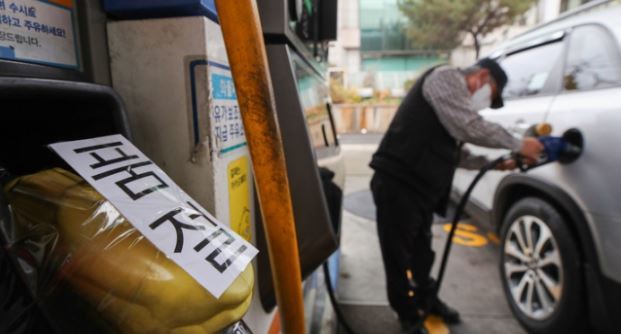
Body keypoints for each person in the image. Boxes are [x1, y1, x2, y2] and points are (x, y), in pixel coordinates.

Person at [369, 58, 543, 334]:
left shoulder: (453, 105)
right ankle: (407, 314)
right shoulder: (446, 77)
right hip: (398, 183)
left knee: (422, 254)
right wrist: (520, 144)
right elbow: (469, 126)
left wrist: (498, 163)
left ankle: (427, 299)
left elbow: (454, 152)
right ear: (482, 76)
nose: (481, 100)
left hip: (421, 190)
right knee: (397, 257)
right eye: (490, 94)